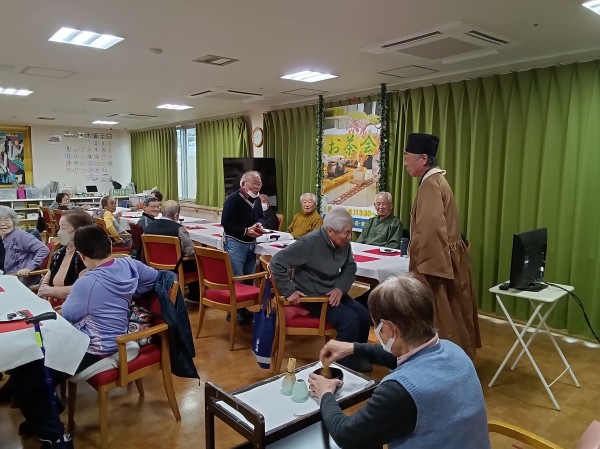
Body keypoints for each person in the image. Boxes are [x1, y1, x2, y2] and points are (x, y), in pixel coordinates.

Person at [11, 224, 159, 449]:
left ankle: (55, 438)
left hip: (94, 346)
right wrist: (126, 297)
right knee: (27, 367)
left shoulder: (87, 283)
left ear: (81, 255)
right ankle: (44, 411)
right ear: (109, 245)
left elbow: (68, 316)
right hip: (111, 336)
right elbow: (155, 278)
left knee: (30, 373)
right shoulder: (129, 264)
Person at [308, 275, 491, 449]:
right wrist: (353, 347)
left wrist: (326, 393)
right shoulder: (454, 350)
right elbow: (404, 357)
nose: (377, 332)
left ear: (389, 328)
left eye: (377, 326)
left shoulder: (398, 391)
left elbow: (346, 435)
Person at [403, 132, 480, 358]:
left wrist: (423, 269)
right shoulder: (435, 181)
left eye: (408, 157)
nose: (405, 163)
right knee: (454, 314)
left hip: (435, 264)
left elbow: (430, 231)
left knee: (443, 318)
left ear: (423, 159)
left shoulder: (430, 185)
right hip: (444, 258)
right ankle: (457, 360)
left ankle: (446, 362)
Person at [270, 207, 372, 372]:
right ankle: (341, 367)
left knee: (364, 315)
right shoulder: (309, 243)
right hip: (313, 295)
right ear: (330, 231)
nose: (349, 237)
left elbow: (350, 267)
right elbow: (276, 262)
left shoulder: (343, 242)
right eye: (346, 233)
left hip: (333, 292)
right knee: (349, 320)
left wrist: (340, 288)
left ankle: (358, 356)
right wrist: (289, 291)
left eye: (350, 232)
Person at [221, 171, 264, 324]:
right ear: (244, 184)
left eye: (259, 184)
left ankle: (243, 309)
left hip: (251, 244)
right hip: (235, 243)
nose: (257, 187)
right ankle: (233, 311)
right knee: (236, 277)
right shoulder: (233, 199)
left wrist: (259, 225)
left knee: (248, 277)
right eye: (254, 183)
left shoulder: (257, 199)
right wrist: (246, 231)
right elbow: (226, 223)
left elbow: (261, 217)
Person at [145, 200, 199, 301]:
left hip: (154, 266)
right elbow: (190, 251)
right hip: (176, 268)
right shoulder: (178, 229)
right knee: (197, 262)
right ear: (176, 215)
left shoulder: (149, 226)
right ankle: (195, 296)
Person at [37, 210, 93, 305]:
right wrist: (43, 293)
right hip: (53, 304)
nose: (59, 232)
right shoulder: (59, 253)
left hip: (73, 306)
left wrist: (52, 291)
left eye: (64, 228)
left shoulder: (87, 257)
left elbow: (81, 289)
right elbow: (46, 280)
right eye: (59, 227)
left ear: (79, 231)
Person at [0, 205, 49, 286]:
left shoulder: (21, 235)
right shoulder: (4, 237)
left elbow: (43, 249)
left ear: (14, 221)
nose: (3, 224)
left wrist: (29, 267)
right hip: (10, 276)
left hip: (25, 277)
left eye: (6, 220)